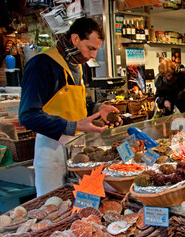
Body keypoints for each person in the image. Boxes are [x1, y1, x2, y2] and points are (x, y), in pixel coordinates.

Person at [19, 17, 121, 196]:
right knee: (53, 207)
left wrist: (98, 108)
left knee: (81, 207)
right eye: (91, 48)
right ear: (75, 39)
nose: (93, 55)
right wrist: (74, 126)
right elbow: (28, 115)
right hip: (52, 153)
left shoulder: (76, 65)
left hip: (77, 152)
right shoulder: (41, 65)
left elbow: (77, 103)